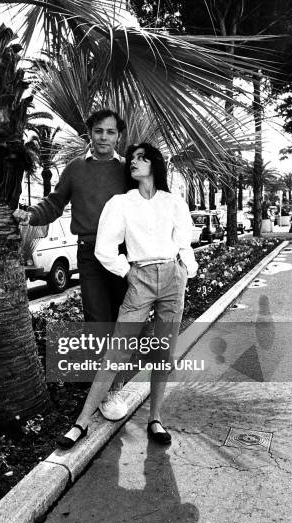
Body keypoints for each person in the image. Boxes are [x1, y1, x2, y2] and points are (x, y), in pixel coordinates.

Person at [57, 142, 198, 449]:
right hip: (141, 278)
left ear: (154, 164)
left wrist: (187, 270)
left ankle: (155, 418)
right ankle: (81, 422)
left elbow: (184, 242)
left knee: (163, 353)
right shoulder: (121, 203)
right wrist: (128, 272)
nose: (133, 162)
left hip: (173, 277)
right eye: (131, 158)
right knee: (117, 351)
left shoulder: (173, 202)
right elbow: (103, 249)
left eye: (140, 158)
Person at [13, 109, 129, 420]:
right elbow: (54, 202)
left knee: (121, 320)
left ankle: (115, 382)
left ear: (119, 136)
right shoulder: (76, 169)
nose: (104, 137)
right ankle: (106, 391)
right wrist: (31, 215)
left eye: (110, 132)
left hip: (122, 255)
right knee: (97, 321)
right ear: (89, 133)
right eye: (99, 131)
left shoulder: (127, 170)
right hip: (90, 255)